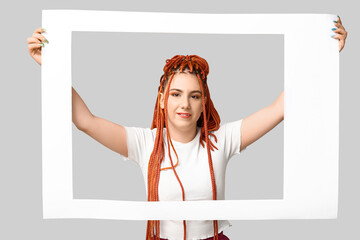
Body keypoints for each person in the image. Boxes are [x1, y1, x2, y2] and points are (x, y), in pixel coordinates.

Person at [27, 16, 347, 240]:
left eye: (195, 96)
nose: (185, 104)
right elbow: (86, 121)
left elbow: (279, 109)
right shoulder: (145, 143)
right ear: (162, 99)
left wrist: (324, 55)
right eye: (177, 94)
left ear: (203, 102)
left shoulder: (222, 140)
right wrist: (51, 67)